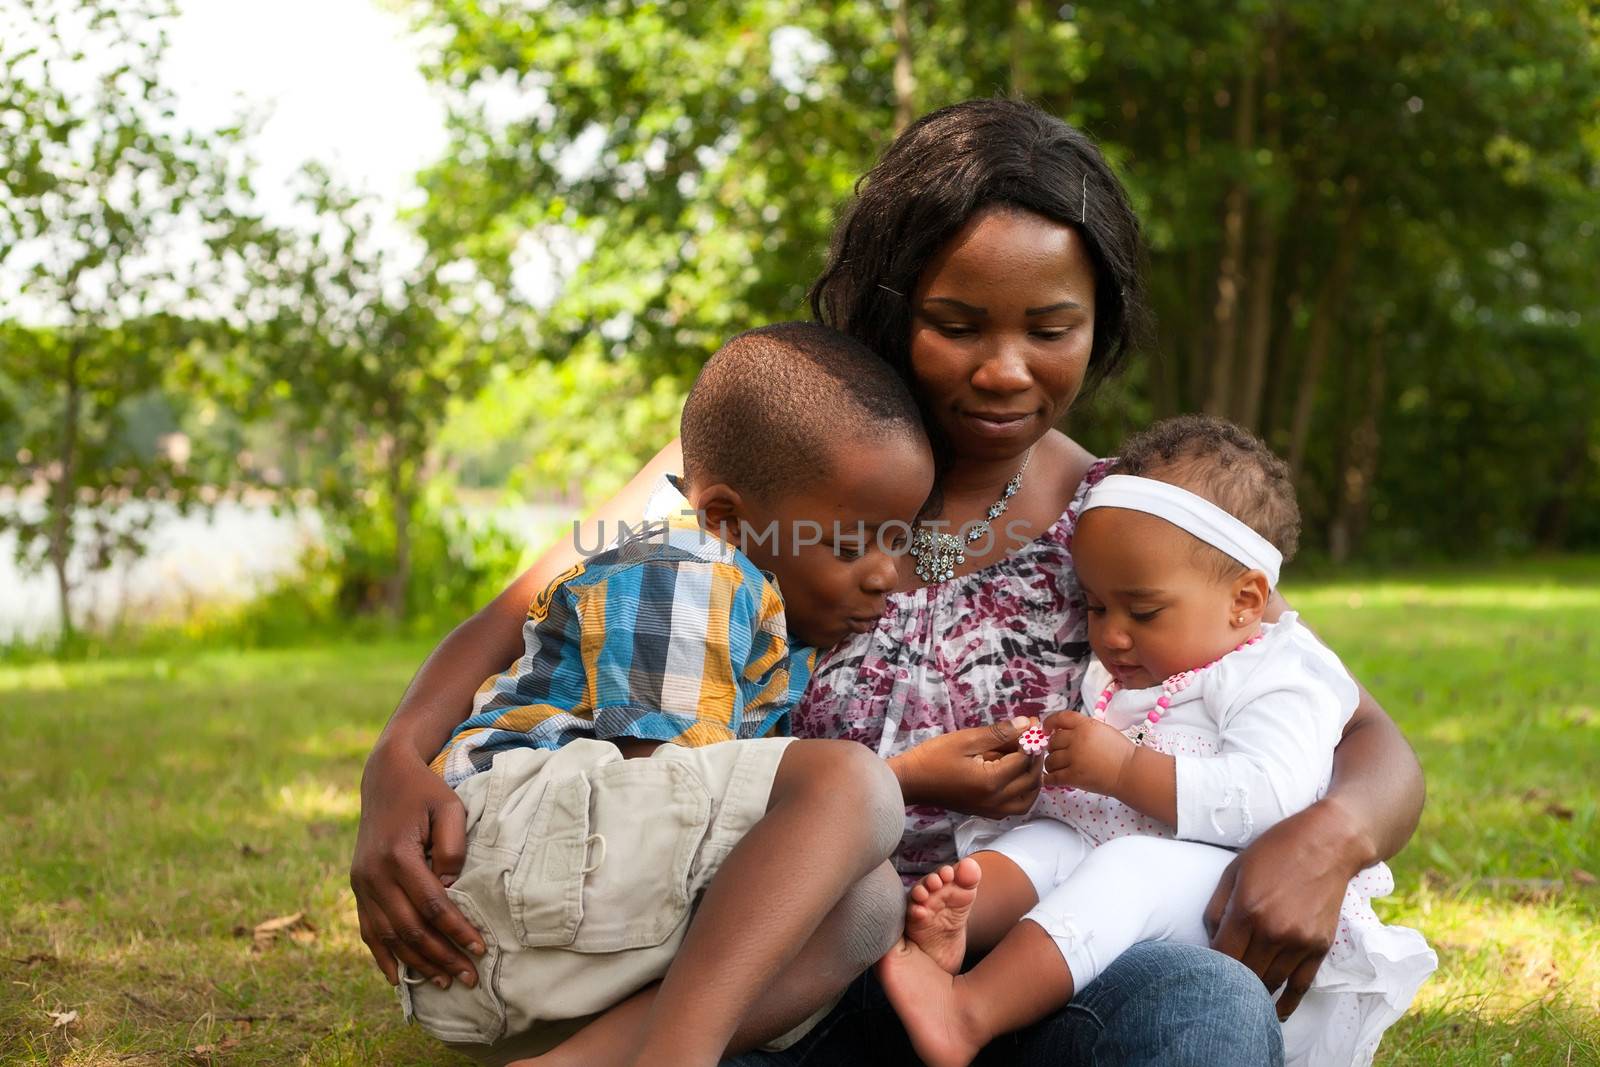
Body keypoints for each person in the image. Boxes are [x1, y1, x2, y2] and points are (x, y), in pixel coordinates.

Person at [351, 99, 1426, 1066]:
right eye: (957, 325)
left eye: (1050, 329)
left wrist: (1324, 838)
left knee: (1204, 1011)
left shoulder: (1126, 522)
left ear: (1098, 326)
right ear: (892, 304)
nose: (1004, 368)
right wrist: (395, 766)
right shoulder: (781, 460)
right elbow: (506, 624)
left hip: (991, 979)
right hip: (731, 980)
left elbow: (1356, 731)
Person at [399, 323, 936, 1066]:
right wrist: (865, 795)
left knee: (871, 902)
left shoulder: (768, 621)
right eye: (849, 545)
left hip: (540, 946)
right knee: (852, 785)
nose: (885, 575)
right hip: (502, 865)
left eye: (899, 541)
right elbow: (664, 777)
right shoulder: (692, 566)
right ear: (724, 518)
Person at [874, 415, 1436, 1067]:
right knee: (1046, 843)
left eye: (1141, 610)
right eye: (1096, 605)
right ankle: (949, 932)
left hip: (1227, 883)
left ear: (1246, 599)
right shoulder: (1140, 668)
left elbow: (1270, 797)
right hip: (1118, 854)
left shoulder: (1283, 672)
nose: (1111, 635)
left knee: (1127, 867)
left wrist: (1123, 767)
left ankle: (968, 1013)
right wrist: (1042, 750)